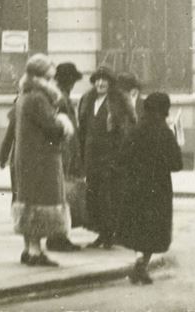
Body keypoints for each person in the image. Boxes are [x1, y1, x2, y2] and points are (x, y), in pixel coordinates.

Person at [12, 53, 74, 267]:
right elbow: (51, 126)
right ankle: (36, 252)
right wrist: (63, 123)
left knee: (29, 203)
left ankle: (29, 249)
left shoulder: (25, 95)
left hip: (29, 157)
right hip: (42, 159)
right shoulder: (38, 97)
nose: (53, 79)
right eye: (49, 74)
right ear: (41, 75)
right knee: (40, 204)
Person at [116, 91, 183, 285]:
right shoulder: (165, 132)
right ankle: (143, 264)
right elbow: (177, 164)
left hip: (135, 186)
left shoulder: (136, 129)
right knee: (154, 228)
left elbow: (122, 158)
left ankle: (139, 259)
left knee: (137, 225)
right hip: (158, 188)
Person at [78, 66, 136, 248]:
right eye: (97, 80)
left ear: (110, 83)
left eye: (104, 80)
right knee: (94, 195)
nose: (100, 83)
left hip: (111, 156)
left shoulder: (118, 101)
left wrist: (119, 156)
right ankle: (101, 233)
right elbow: (83, 129)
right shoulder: (88, 100)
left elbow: (126, 130)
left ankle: (110, 234)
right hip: (91, 156)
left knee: (109, 196)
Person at [47, 61, 84, 252]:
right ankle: (57, 237)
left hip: (66, 154)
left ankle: (60, 234)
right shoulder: (60, 99)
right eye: (72, 81)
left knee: (63, 196)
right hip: (63, 154)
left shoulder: (62, 97)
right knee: (61, 196)